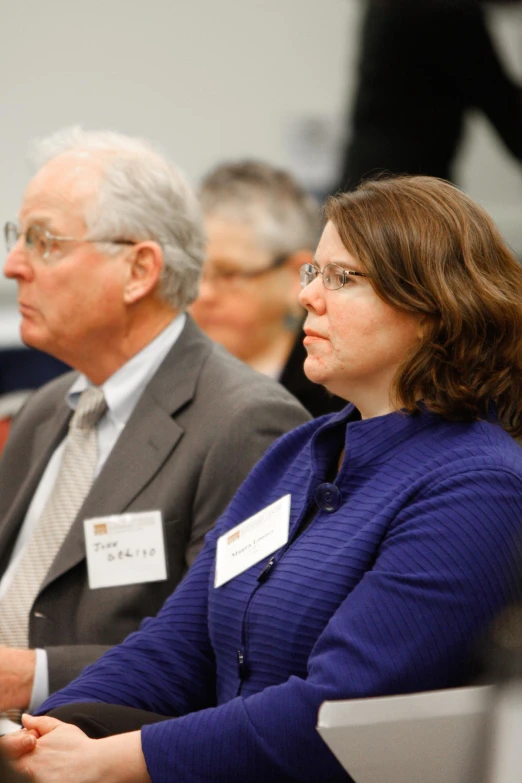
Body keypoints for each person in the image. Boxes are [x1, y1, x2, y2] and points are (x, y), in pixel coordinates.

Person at [5, 174, 522, 783]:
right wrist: (48, 732)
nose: (308, 297)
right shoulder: (297, 453)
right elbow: (178, 643)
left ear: (434, 307)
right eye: (314, 273)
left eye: (342, 278)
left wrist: (113, 759)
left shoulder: (479, 487)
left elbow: (337, 709)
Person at [0, 128, 309, 716]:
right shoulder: (46, 406)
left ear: (139, 270)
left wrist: (34, 677)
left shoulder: (246, 421)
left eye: (43, 242)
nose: (15, 265)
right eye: (19, 238)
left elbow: (231, 655)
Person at [190, 160, 345, 416]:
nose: (203, 294)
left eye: (228, 274)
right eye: (194, 271)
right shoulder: (165, 381)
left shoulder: (337, 402)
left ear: (298, 274)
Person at [336, 0, 522, 190]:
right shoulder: (448, 14)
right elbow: (507, 114)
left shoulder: (389, 7)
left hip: (363, 185)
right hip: (409, 195)